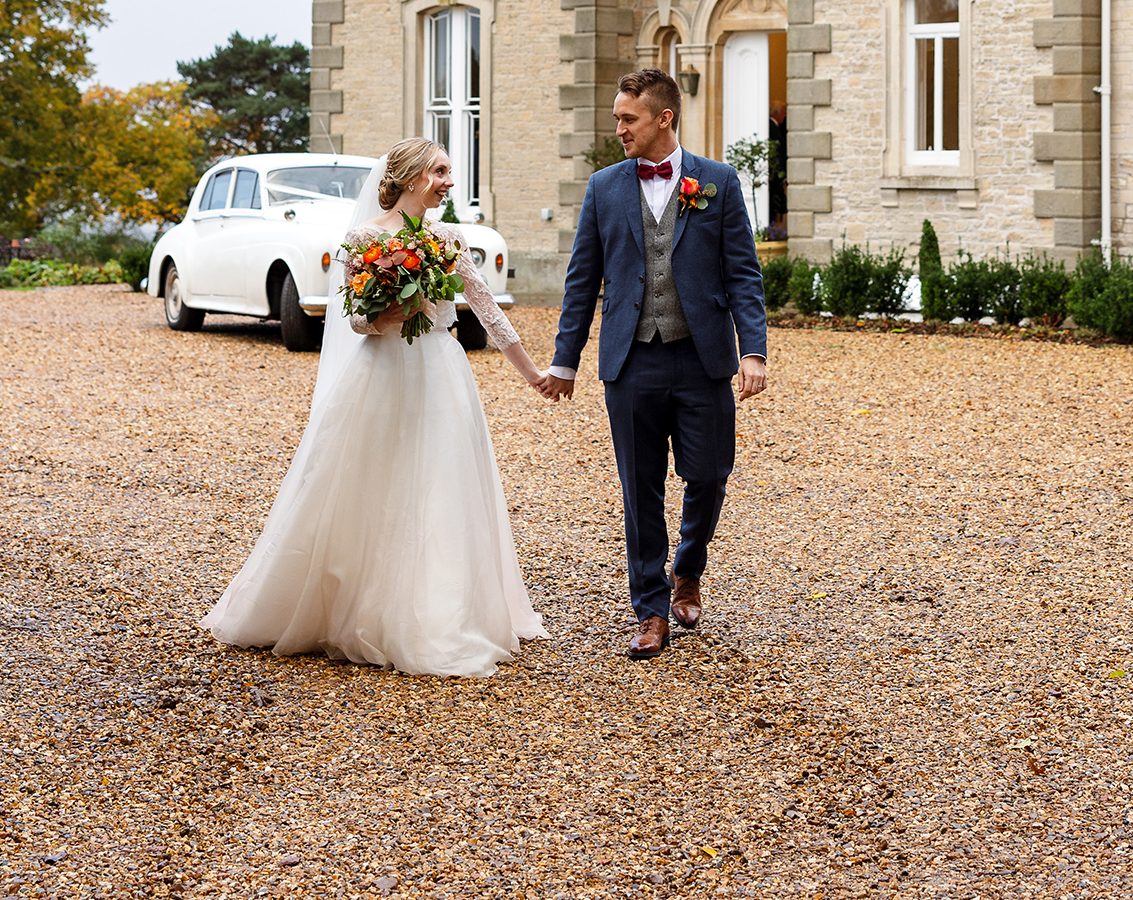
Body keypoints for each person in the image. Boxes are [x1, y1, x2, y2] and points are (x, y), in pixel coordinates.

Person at [201, 137, 553, 677]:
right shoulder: (363, 239)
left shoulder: (449, 238)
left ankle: (437, 613)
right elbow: (355, 320)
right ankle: (350, 604)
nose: (448, 182)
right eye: (440, 172)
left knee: (439, 482)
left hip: (440, 370)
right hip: (381, 372)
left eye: (449, 172)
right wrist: (390, 312)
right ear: (410, 177)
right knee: (366, 483)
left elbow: (487, 308)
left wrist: (533, 374)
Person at [545, 68, 768, 660]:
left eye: (627, 118)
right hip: (631, 359)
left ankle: (687, 568)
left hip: (702, 358)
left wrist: (753, 350)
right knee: (638, 488)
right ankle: (649, 608)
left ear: (663, 118)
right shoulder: (603, 188)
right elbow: (581, 281)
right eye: (617, 117)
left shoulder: (717, 183)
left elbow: (743, 273)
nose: (618, 128)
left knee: (711, 473)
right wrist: (565, 361)